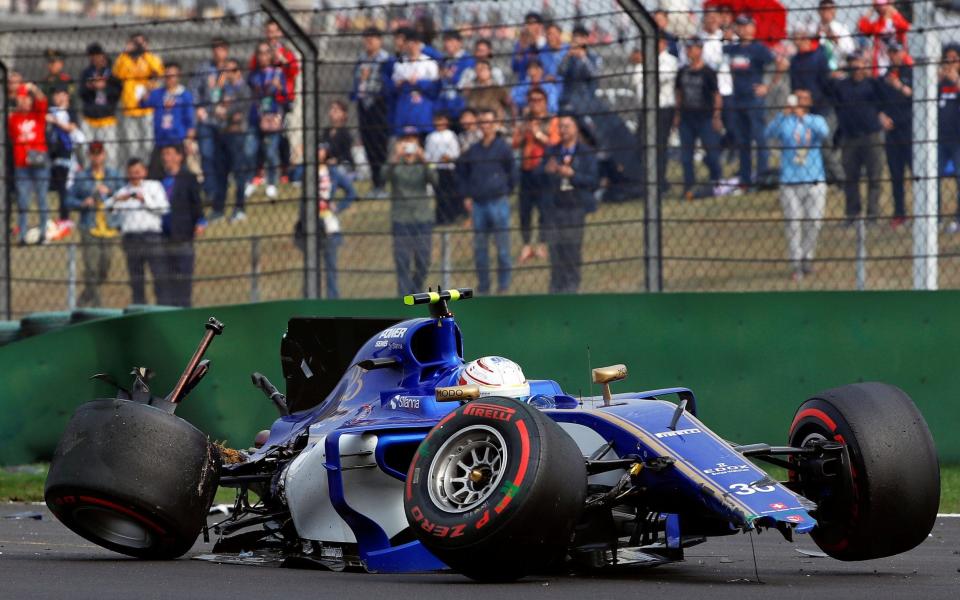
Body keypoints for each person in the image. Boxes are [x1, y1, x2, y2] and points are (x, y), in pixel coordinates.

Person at [764, 90, 830, 281]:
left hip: (815, 178)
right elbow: (768, 133)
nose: (798, 102)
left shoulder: (816, 120)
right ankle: (796, 263)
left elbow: (824, 133)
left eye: (802, 99)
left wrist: (804, 118)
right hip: (790, 180)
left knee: (814, 221)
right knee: (793, 222)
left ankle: (807, 256)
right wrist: (783, 114)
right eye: (796, 98)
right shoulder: (785, 121)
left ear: (809, 102)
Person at [828, 53, 892, 224]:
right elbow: (829, 93)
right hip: (849, 137)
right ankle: (852, 214)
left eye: (860, 65)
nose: (857, 69)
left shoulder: (872, 84)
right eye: (853, 66)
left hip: (871, 136)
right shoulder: (841, 86)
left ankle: (873, 215)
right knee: (851, 178)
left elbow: (885, 96)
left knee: (874, 177)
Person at [458, 109, 515, 294]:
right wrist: (467, 195)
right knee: (480, 250)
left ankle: (503, 286)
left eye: (489, 122)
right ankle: (484, 287)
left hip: (499, 201)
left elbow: (513, 172)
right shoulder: (473, 151)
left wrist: (506, 189)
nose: (485, 126)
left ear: (495, 124)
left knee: (503, 250)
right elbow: (462, 173)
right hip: (479, 205)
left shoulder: (503, 148)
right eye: (482, 122)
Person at [543, 114, 599, 294]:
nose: (563, 130)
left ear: (576, 128)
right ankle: (555, 289)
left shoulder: (586, 153)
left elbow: (593, 181)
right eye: (561, 126)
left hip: (575, 207)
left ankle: (571, 288)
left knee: (572, 251)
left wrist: (572, 175)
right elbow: (537, 176)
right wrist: (548, 171)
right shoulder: (551, 151)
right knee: (555, 252)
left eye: (567, 126)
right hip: (554, 207)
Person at [295, 144, 357, 299]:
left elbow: (351, 192)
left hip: (329, 223)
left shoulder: (333, 172)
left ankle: (332, 303)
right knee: (311, 269)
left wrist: (339, 207)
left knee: (331, 269)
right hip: (310, 224)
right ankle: (310, 302)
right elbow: (294, 175)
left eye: (321, 149)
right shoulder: (306, 171)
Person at [105, 158, 169, 305]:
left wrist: (144, 199)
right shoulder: (123, 192)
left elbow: (164, 208)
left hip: (151, 236)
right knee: (136, 279)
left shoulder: (154, 187)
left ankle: (163, 305)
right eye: (131, 173)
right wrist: (117, 200)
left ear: (144, 172)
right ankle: (140, 307)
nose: (135, 176)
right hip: (131, 238)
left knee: (159, 275)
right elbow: (107, 210)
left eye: (138, 172)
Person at [65, 141, 122, 307]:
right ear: (89, 156)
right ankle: (98, 306)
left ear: (104, 155)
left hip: (109, 228)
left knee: (103, 272)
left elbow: (125, 192)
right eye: (93, 153)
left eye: (99, 153)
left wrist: (110, 193)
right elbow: (68, 199)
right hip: (89, 228)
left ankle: (81, 303)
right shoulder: (81, 176)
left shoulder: (114, 175)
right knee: (91, 269)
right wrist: (83, 203)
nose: (96, 157)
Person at [724, 14, 777, 187]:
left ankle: (762, 176)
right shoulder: (732, 49)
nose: (744, 29)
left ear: (753, 28)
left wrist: (767, 86)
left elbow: (778, 64)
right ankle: (745, 178)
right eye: (740, 26)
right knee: (743, 141)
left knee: (759, 139)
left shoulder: (759, 48)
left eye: (747, 26)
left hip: (754, 100)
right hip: (737, 99)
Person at [386, 130, 436, 295]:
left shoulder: (422, 164)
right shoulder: (395, 163)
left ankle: (416, 290)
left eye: (412, 142)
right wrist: (395, 157)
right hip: (401, 219)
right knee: (402, 261)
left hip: (422, 218)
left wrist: (424, 159)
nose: (409, 146)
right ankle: (403, 296)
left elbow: (435, 180)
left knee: (424, 260)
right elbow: (382, 176)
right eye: (405, 141)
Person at [513, 88, 560, 264]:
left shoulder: (552, 121)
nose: (535, 103)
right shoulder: (524, 122)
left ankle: (542, 244)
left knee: (545, 208)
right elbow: (515, 142)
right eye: (531, 100)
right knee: (524, 209)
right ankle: (526, 245)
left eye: (539, 100)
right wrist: (526, 132)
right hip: (526, 170)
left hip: (544, 169)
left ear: (545, 102)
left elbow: (555, 142)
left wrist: (538, 134)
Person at [675, 37, 723, 199]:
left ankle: (716, 181)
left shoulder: (708, 72)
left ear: (700, 50)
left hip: (705, 118)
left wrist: (716, 116)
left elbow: (716, 95)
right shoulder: (682, 71)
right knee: (686, 156)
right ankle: (688, 186)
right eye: (687, 48)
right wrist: (677, 114)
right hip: (687, 119)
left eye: (692, 48)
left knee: (711, 152)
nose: (689, 51)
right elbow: (679, 93)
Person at [158, 145, 204, 307]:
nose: (166, 157)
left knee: (184, 278)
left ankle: (184, 308)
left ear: (179, 157)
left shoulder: (188, 178)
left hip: (183, 234)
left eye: (169, 153)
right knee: (166, 280)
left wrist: (200, 221)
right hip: (163, 235)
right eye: (164, 153)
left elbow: (196, 202)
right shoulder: (159, 179)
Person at [635, 35, 680, 197]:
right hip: (645, 108)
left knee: (660, 146)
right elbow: (637, 79)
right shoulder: (645, 59)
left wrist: (647, 75)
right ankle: (645, 181)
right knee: (642, 145)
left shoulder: (670, 60)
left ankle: (660, 182)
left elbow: (662, 77)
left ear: (663, 43)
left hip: (662, 109)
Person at [212, 58, 256, 223]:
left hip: (237, 135)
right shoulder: (224, 89)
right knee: (221, 173)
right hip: (222, 133)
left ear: (237, 71)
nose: (225, 74)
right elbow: (214, 105)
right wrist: (218, 87)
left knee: (239, 173)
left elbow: (239, 112)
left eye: (228, 70)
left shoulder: (243, 89)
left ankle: (239, 208)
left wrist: (226, 112)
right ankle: (218, 209)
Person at [190, 38, 230, 210]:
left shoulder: (231, 69)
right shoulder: (204, 69)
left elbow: (238, 89)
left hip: (224, 121)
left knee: (222, 157)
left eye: (221, 49)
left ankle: (222, 189)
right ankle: (210, 190)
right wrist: (198, 108)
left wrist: (228, 104)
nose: (218, 52)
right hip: (207, 119)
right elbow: (194, 90)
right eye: (215, 48)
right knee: (206, 154)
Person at [352, 27, 391, 197]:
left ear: (380, 41)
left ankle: (381, 184)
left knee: (380, 145)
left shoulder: (385, 59)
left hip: (379, 105)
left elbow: (387, 83)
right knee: (368, 144)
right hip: (363, 105)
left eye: (373, 39)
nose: (369, 43)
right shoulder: (361, 59)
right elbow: (355, 80)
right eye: (366, 39)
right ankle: (375, 183)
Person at [113, 32, 164, 164]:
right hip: (130, 108)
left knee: (147, 144)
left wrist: (145, 53)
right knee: (132, 145)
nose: (138, 46)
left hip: (147, 108)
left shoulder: (151, 58)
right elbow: (117, 73)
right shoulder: (125, 59)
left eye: (140, 43)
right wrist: (125, 52)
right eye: (135, 43)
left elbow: (158, 72)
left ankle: (146, 168)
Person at [9, 82, 50, 244]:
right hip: (22, 165)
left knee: (42, 199)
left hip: (39, 163)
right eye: (21, 99)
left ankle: (43, 233)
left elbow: (42, 99)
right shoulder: (13, 118)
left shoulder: (37, 114)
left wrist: (32, 88)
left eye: (27, 99)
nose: (25, 102)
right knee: (23, 200)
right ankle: (22, 234)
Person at [249, 41, 289, 202]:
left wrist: (279, 88)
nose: (263, 57)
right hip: (256, 117)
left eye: (266, 53)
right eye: (260, 53)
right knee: (250, 150)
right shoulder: (253, 75)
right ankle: (252, 179)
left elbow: (285, 97)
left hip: (273, 117)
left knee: (272, 152)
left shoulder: (278, 74)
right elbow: (255, 91)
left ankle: (272, 183)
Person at [140, 63, 195, 179]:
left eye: (172, 75)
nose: (169, 78)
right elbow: (143, 103)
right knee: (154, 175)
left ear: (178, 76)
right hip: (160, 142)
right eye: (167, 75)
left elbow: (190, 122)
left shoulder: (185, 95)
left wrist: (189, 142)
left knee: (179, 175)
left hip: (177, 142)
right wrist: (148, 87)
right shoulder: (158, 93)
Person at [881, 41, 913, 228]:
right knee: (896, 175)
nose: (893, 55)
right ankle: (899, 213)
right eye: (890, 52)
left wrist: (899, 85)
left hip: (909, 130)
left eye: (896, 52)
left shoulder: (911, 71)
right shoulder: (885, 76)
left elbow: (915, 95)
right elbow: (879, 102)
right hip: (891, 132)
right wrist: (882, 117)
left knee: (916, 172)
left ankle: (923, 211)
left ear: (902, 53)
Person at [390, 31, 440, 136]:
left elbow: (435, 86)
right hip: (405, 106)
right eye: (408, 42)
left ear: (419, 44)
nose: (411, 46)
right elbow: (394, 85)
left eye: (414, 42)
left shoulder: (429, 62)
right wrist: (403, 83)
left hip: (423, 106)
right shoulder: (400, 63)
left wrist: (419, 82)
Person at [46, 85, 84, 223]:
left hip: (65, 152)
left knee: (64, 186)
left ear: (67, 96)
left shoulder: (70, 112)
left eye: (61, 94)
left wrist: (55, 120)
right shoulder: (48, 111)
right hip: (49, 153)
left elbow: (71, 128)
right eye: (56, 94)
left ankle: (65, 217)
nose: (58, 97)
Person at [78, 43, 122, 156]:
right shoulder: (86, 73)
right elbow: (81, 93)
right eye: (92, 56)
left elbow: (118, 93)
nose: (94, 58)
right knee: (87, 152)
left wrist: (105, 86)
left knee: (110, 153)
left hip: (107, 118)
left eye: (97, 55)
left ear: (102, 55)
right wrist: (92, 87)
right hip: (89, 119)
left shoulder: (112, 73)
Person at [424, 111, 462, 225]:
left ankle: (452, 216)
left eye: (442, 120)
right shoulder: (431, 137)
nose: (440, 122)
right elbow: (428, 155)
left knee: (450, 193)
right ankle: (441, 218)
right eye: (437, 120)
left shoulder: (451, 135)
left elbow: (456, 152)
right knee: (439, 195)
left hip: (449, 168)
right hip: (437, 169)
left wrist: (450, 158)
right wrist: (431, 166)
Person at [858, 0, 910, 77]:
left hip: (899, 63)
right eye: (878, 6)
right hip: (881, 64)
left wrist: (892, 11)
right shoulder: (878, 23)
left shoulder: (896, 19)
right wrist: (871, 9)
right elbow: (863, 27)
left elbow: (905, 27)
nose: (881, 8)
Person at [939, 47, 960, 231]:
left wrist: (957, 81)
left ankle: (958, 218)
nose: (950, 63)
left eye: (954, 59)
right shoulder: (938, 81)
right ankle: (934, 216)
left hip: (958, 139)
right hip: (938, 139)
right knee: (932, 178)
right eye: (947, 59)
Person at [559, 26, 603, 115]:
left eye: (580, 37)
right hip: (569, 99)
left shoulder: (594, 57)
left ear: (586, 40)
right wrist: (567, 57)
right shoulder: (569, 57)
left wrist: (583, 58)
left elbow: (594, 74)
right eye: (575, 37)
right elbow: (560, 72)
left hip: (588, 99)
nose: (577, 40)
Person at [436, 29, 474, 123]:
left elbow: (465, 84)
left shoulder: (467, 60)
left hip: (460, 108)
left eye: (451, 41)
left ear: (459, 42)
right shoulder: (445, 60)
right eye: (445, 41)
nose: (447, 44)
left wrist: (450, 76)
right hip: (444, 108)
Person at [463, 60, 513, 125]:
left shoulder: (498, 89)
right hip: (478, 124)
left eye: (483, 69)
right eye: (478, 69)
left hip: (494, 123)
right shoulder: (473, 92)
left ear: (489, 71)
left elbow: (510, 105)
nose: (480, 72)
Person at [818, 0, 856, 72]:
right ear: (819, 12)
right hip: (819, 70)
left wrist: (837, 41)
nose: (828, 13)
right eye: (825, 9)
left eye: (831, 9)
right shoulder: (814, 30)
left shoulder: (842, 28)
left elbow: (850, 50)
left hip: (840, 69)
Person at [322, 100, 354, 173]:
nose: (332, 112)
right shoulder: (326, 132)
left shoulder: (344, 133)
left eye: (336, 110)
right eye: (331, 109)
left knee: (336, 170)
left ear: (343, 114)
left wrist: (336, 160)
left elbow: (346, 154)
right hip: (327, 164)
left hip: (342, 164)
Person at [511, 12, 547, 78]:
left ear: (540, 26)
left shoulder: (546, 43)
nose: (529, 27)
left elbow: (546, 66)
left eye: (533, 23)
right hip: (524, 83)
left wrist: (537, 44)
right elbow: (514, 68)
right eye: (528, 23)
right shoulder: (519, 44)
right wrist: (521, 49)